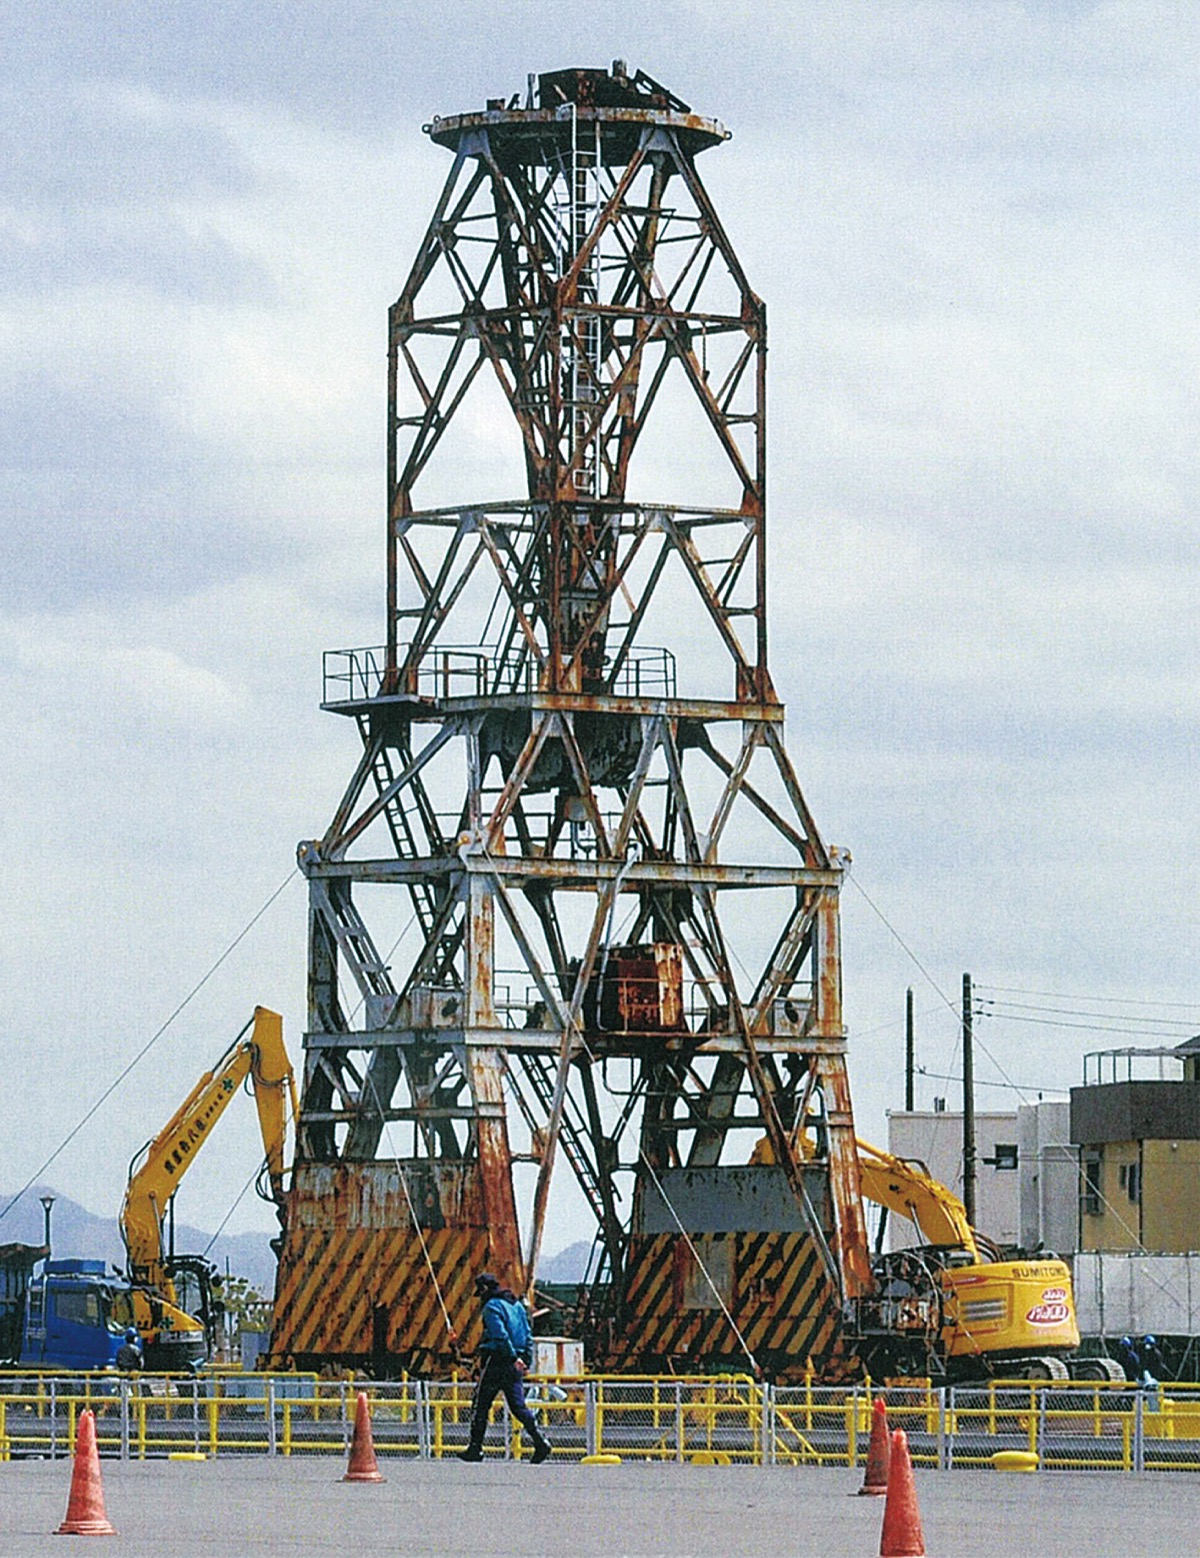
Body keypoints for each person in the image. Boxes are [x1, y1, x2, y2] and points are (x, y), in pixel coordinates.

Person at [458, 1272, 551, 1464]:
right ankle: (540, 1441)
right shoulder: (517, 1306)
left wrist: (511, 1356)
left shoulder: (491, 1307)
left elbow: (499, 1335)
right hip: (515, 1364)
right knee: (518, 1406)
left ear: (484, 1289)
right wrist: (524, 1358)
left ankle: (475, 1447)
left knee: (480, 1403)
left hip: (497, 1360)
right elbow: (527, 1334)